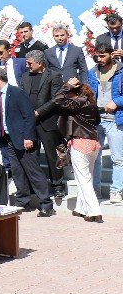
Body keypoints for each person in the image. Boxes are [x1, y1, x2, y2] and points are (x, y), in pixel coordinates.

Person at [0, 69, 54, 216]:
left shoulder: (17, 93)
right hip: (8, 140)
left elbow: (29, 116)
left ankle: (46, 204)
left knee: (33, 172)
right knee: (17, 172)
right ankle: (23, 202)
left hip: (23, 140)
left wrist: (28, 137)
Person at [50, 79, 102, 221]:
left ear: (74, 93)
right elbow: (97, 121)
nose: (67, 95)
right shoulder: (91, 103)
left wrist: (67, 86)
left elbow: (57, 100)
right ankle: (80, 208)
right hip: (94, 143)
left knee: (84, 179)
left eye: (69, 93)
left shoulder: (76, 104)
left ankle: (94, 212)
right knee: (85, 178)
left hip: (80, 142)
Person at [21, 50, 66, 198]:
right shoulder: (26, 76)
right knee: (31, 156)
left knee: (52, 155)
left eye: (30, 63)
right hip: (29, 123)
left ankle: (58, 185)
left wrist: (38, 112)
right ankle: (35, 186)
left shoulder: (53, 75)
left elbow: (56, 99)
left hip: (47, 121)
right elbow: (22, 96)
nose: (27, 66)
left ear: (39, 63)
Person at [86, 43, 123, 204]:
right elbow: (87, 93)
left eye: (103, 56)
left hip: (115, 118)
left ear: (111, 54)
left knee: (118, 158)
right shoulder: (92, 72)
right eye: (97, 56)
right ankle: (95, 189)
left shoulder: (121, 71)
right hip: (96, 119)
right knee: (94, 157)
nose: (99, 59)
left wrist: (116, 102)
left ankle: (116, 191)